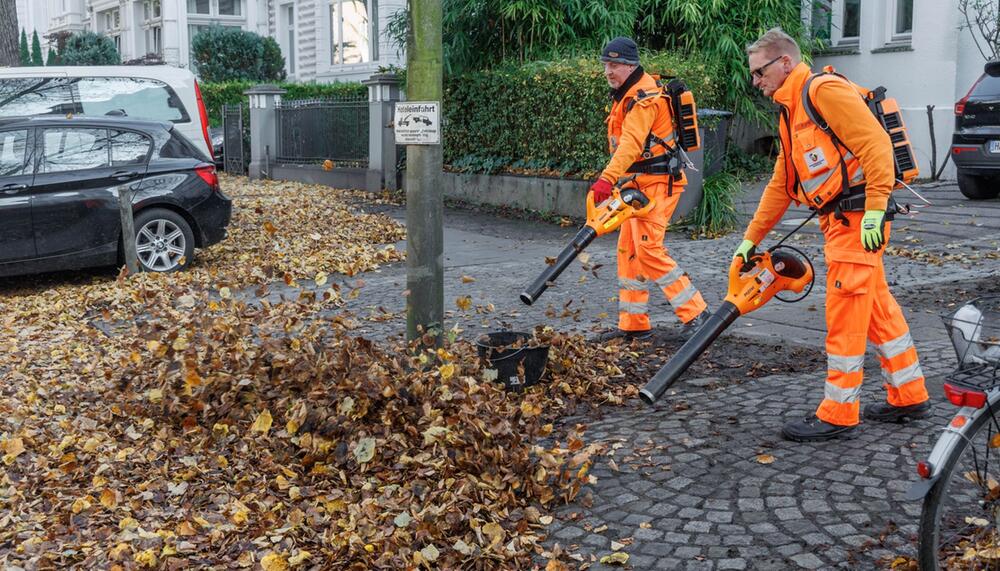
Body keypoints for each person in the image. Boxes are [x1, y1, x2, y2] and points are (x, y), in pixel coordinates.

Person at [738, 28, 930, 442]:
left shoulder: (821, 91)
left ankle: (839, 412)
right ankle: (910, 394)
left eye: (759, 71)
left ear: (785, 62)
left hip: (857, 220)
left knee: (844, 312)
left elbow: (876, 146)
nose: (755, 81)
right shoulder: (792, 111)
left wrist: (876, 211)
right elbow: (780, 183)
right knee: (877, 307)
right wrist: (750, 239)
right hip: (841, 220)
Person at [590, 36, 710, 342]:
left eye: (614, 64)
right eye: (606, 64)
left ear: (630, 65)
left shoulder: (644, 97)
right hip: (638, 183)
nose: (608, 71)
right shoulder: (628, 94)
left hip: (657, 183)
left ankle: (697, 313)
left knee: (648, 250)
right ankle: (634, 324)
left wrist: (607, 178)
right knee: (628, 251)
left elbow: (631, 144)